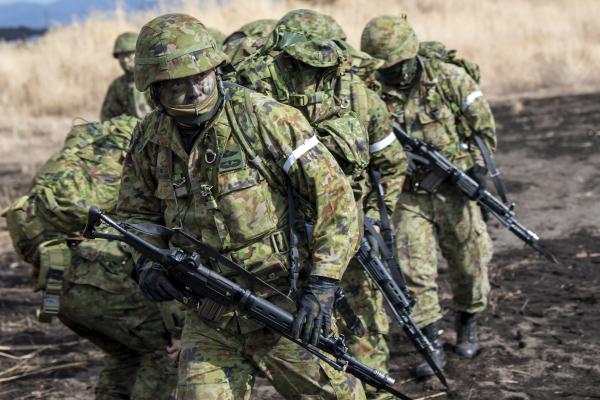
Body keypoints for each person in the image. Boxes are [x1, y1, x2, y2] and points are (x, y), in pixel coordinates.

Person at [116, 13, 366, 399]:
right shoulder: (149, 139)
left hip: (284, 307)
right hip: (209, 318)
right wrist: (147, 264)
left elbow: (334, 199)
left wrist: (323, 285)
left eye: (202, 75)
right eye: (179, 83)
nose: (196, 90)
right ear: (154, 90)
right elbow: (137, 215)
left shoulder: (265, 118)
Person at [235, 9, 408, 399]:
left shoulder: (361, 99)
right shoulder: (259, 102)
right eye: (295, 63)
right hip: (290, 249)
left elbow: (393, 164)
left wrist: (377, 219)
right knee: (306, 341)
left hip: (353, 238)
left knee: (365, 327)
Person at [2, 116, 179, 400]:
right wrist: (177, 329)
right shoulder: (154, 162)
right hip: (100, 281)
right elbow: (163, 253)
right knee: (167, 354)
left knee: (127, 354)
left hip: (56, 279)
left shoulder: (95, 150)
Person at [361, 15, 496, 379]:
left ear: (413, 52)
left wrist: (478, 171)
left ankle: (468, 321)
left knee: (470, 262)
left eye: (400, 65)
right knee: (413, 269)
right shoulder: (368, 91)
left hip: (454, 191)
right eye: (387, 68)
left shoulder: (449, 78)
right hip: (407, 196)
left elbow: (483, 128)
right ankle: (431, 339)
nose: (396, 74)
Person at [100, 32, 153, 121]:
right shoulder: (117, 85)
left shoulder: (155, 79)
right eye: (121, 56)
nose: (124, 60)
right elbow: (107, 117)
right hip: (130, 132)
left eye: (128, 54)